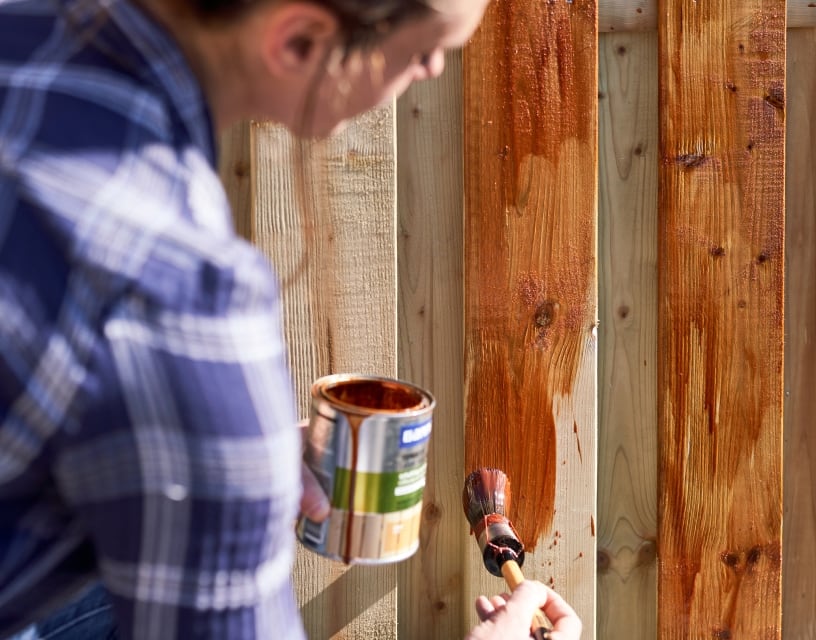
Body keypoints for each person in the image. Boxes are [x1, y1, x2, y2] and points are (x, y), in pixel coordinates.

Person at [0, 0, 582, 638]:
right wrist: (219, 455)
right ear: (301, 39)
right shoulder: (178, 288)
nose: (434, 70)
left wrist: (218, 460)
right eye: (421, 52)